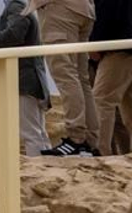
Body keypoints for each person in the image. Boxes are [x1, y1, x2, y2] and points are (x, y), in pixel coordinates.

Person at [0, 0, 51, 155]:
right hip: (32, 78)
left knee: (31, 133)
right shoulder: (24, 5)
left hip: (22, 79)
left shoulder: (16, 6)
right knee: (39, 133)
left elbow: (14, 36)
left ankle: (37, 170)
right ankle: (47, 167)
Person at [34, 0, 97, 155]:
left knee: (66, 75)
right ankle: (90, 141)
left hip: (60, 10)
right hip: (84, 9)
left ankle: (76, 139)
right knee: (80, 79)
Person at [91, 0, 132, 154]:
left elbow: (106, 15)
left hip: (119, 51)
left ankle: (100, 151)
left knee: (102, 100)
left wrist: (95, 45)